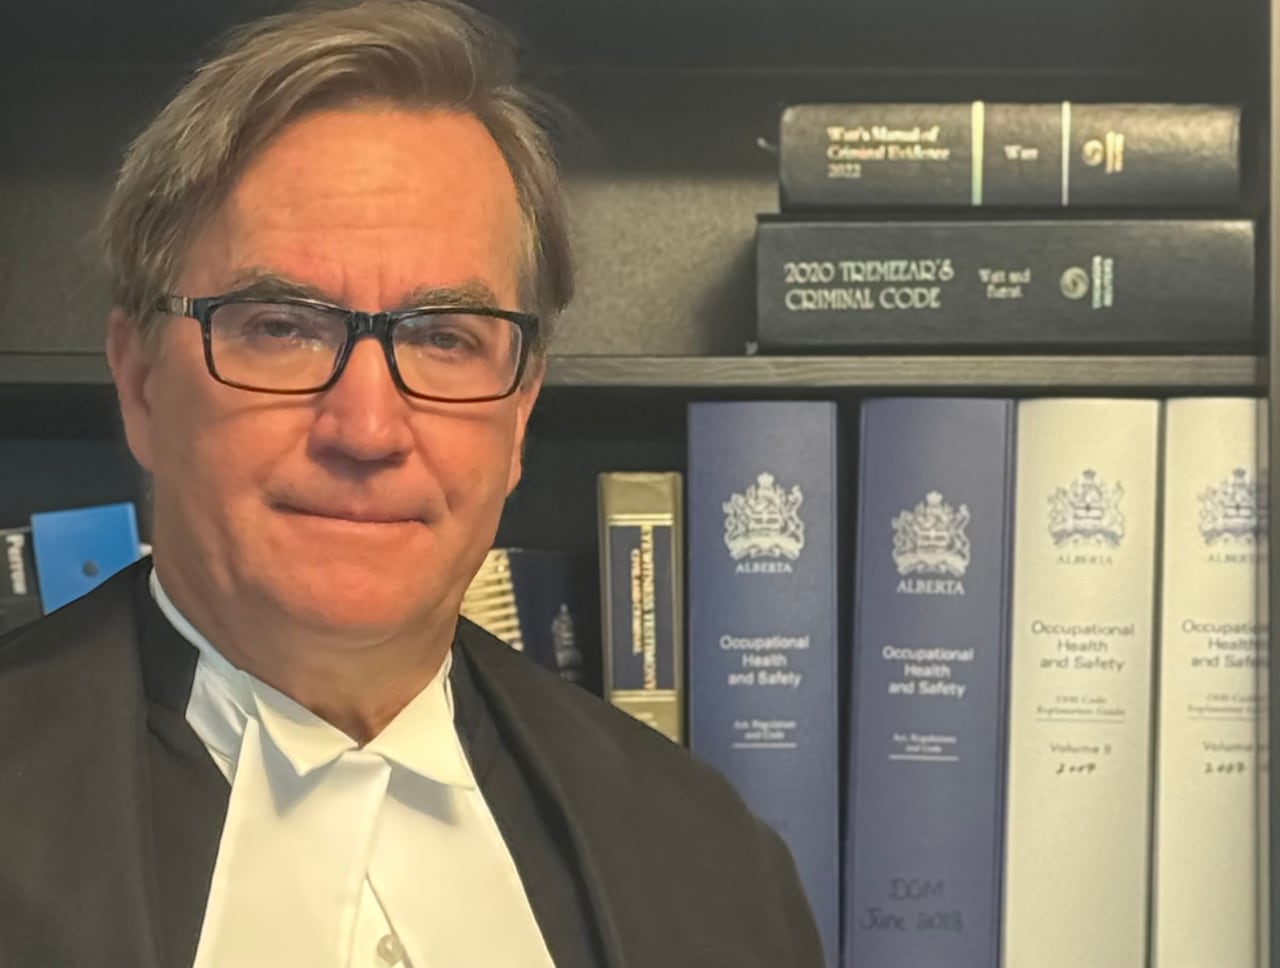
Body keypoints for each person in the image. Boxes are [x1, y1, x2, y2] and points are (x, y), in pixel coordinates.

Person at [0, 1, 824, 965]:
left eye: (445, 340)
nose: (368, 428)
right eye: (281, 327)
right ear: (142, 384)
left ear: (518, 415)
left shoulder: (710, 856)